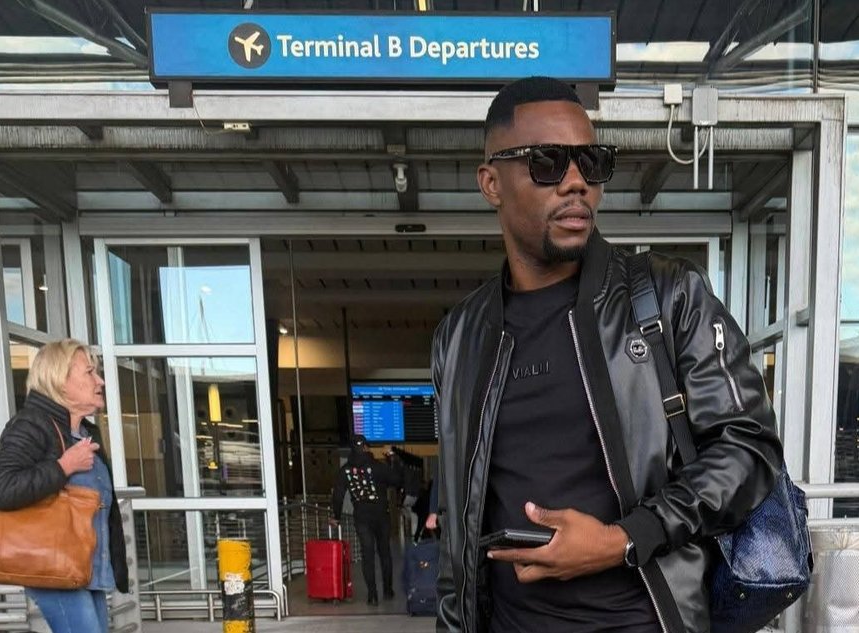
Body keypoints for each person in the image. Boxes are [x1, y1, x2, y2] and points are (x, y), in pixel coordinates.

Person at [429, 76, 784, 632]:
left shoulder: (669, 295)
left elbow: (748, 447)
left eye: (591, 162)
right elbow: (457, 521)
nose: (576, 182)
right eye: (547, 162)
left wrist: (624, 539)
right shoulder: (458, 338)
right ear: (491, 182)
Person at [0, 339, 126, 633]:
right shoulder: (31, 424)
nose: (100, 381)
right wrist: (64, 467)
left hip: (83, 569)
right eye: (89, 372)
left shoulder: (84, 433)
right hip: (53, 566)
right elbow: (2, 488)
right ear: (60, 380)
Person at [329, 435, 402, 605]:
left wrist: (336, 516)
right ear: (366, 448)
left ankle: (372, 595)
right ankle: (388, 590)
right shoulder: (377, 466)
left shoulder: (345, 471)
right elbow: (397, 480)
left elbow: (338, 495)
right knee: (384, 553)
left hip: (361, 516)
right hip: (381, 515)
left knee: (367, 555)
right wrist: (392, 459)